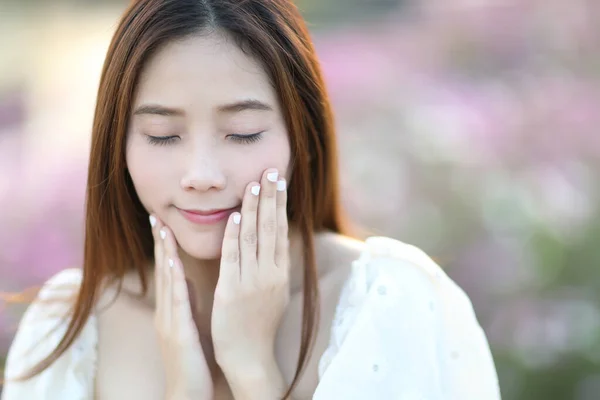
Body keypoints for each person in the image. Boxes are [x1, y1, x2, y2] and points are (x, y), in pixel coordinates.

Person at [1, 0, 501, 399]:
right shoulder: (68, 330)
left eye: (242, 133)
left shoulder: (392, 303)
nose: (201, 175)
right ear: (119, 145)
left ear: (299, 134)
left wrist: (254, 373)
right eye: (161, 134)